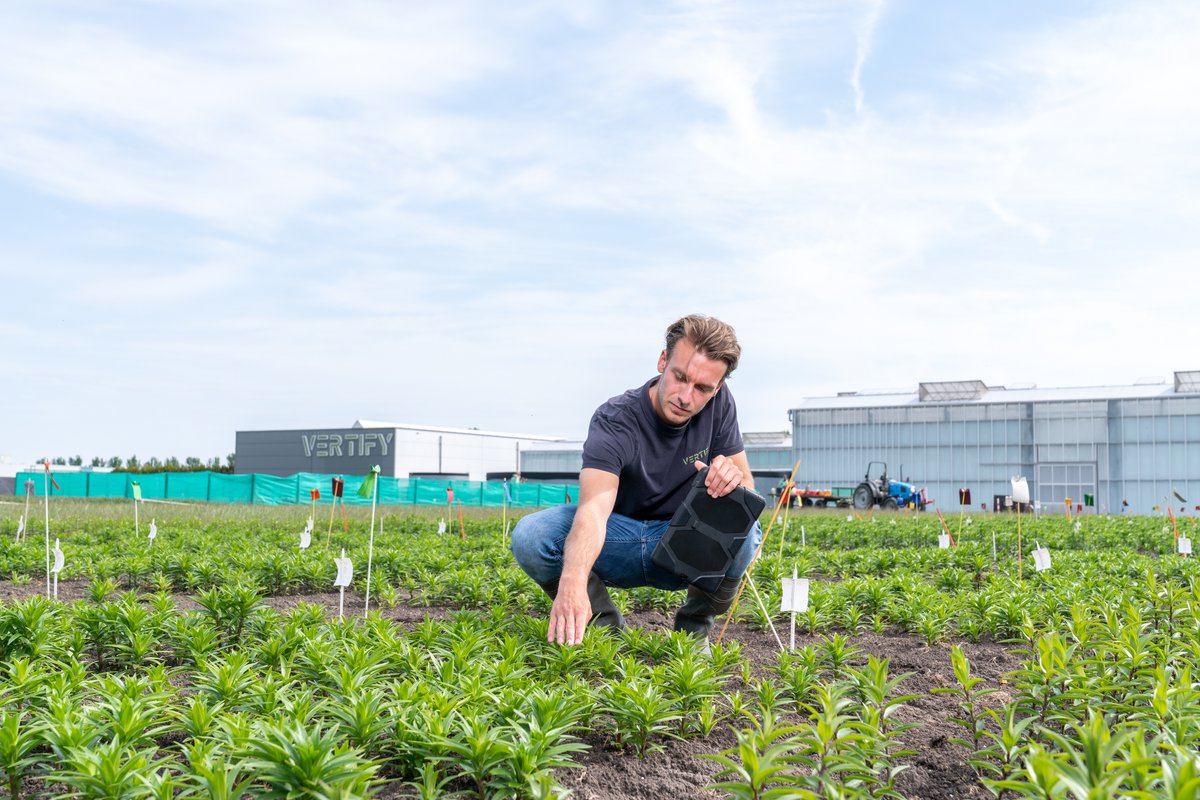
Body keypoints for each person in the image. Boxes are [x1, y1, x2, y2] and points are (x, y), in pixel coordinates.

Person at [510, 314, 761, 647]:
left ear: (717, 388)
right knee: (532, 536)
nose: (686, 397)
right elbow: (594, 509)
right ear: (662, 361)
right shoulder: (616, 419)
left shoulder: (720, 404)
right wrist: (571, 583)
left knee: (746, 528)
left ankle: (694, 629)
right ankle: (605, 627)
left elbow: (747, 487)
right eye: (680, 377)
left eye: (702, 388)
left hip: (682, 541)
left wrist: (731, 480)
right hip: (617, 539)